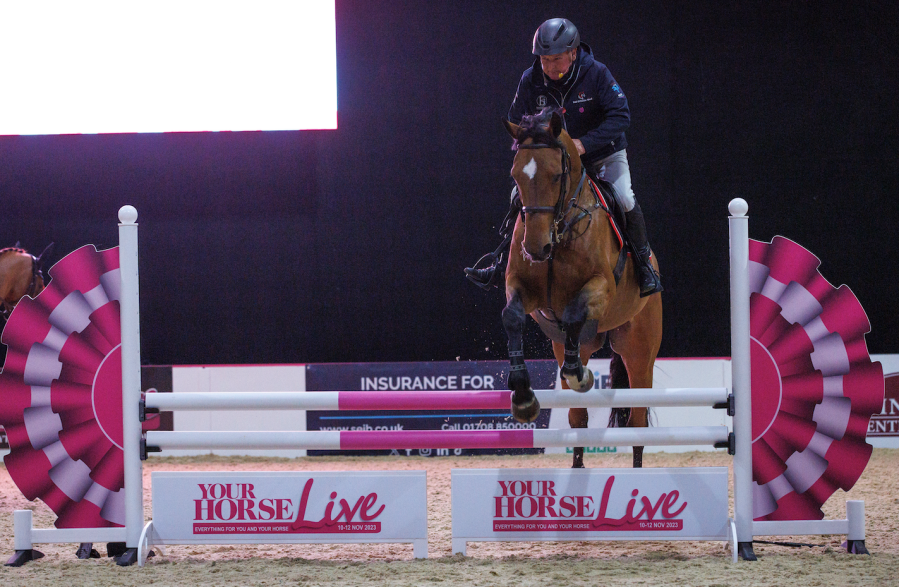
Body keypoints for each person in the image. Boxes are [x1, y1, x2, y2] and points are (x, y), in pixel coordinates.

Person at [464, 17, 663, 297]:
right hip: (555, 164)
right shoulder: (530, 79)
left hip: (602, 154)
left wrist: (585, 143)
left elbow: (622, 115)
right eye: (544, 60)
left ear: (573, 52)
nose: (549, 68)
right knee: (519, 198)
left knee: (625, 197)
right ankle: (501, 265)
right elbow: (515, 121)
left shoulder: (596, 73)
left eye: (556, 59)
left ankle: (644, 266)